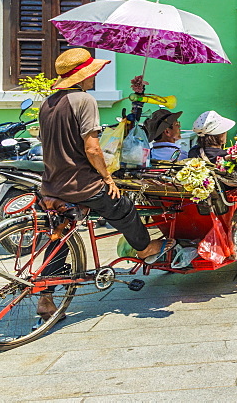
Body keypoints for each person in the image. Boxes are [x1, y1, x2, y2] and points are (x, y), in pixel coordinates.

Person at [37, 49, 167, 320]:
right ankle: (145, 249)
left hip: (51, 184)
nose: (95, 76)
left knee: (60, 235)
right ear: (85, 75)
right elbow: (92, 147)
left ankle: (46, 298)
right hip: (81, 184)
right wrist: (107, 178)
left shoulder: (48, 103)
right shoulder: (84, 100)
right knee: (123, 207)